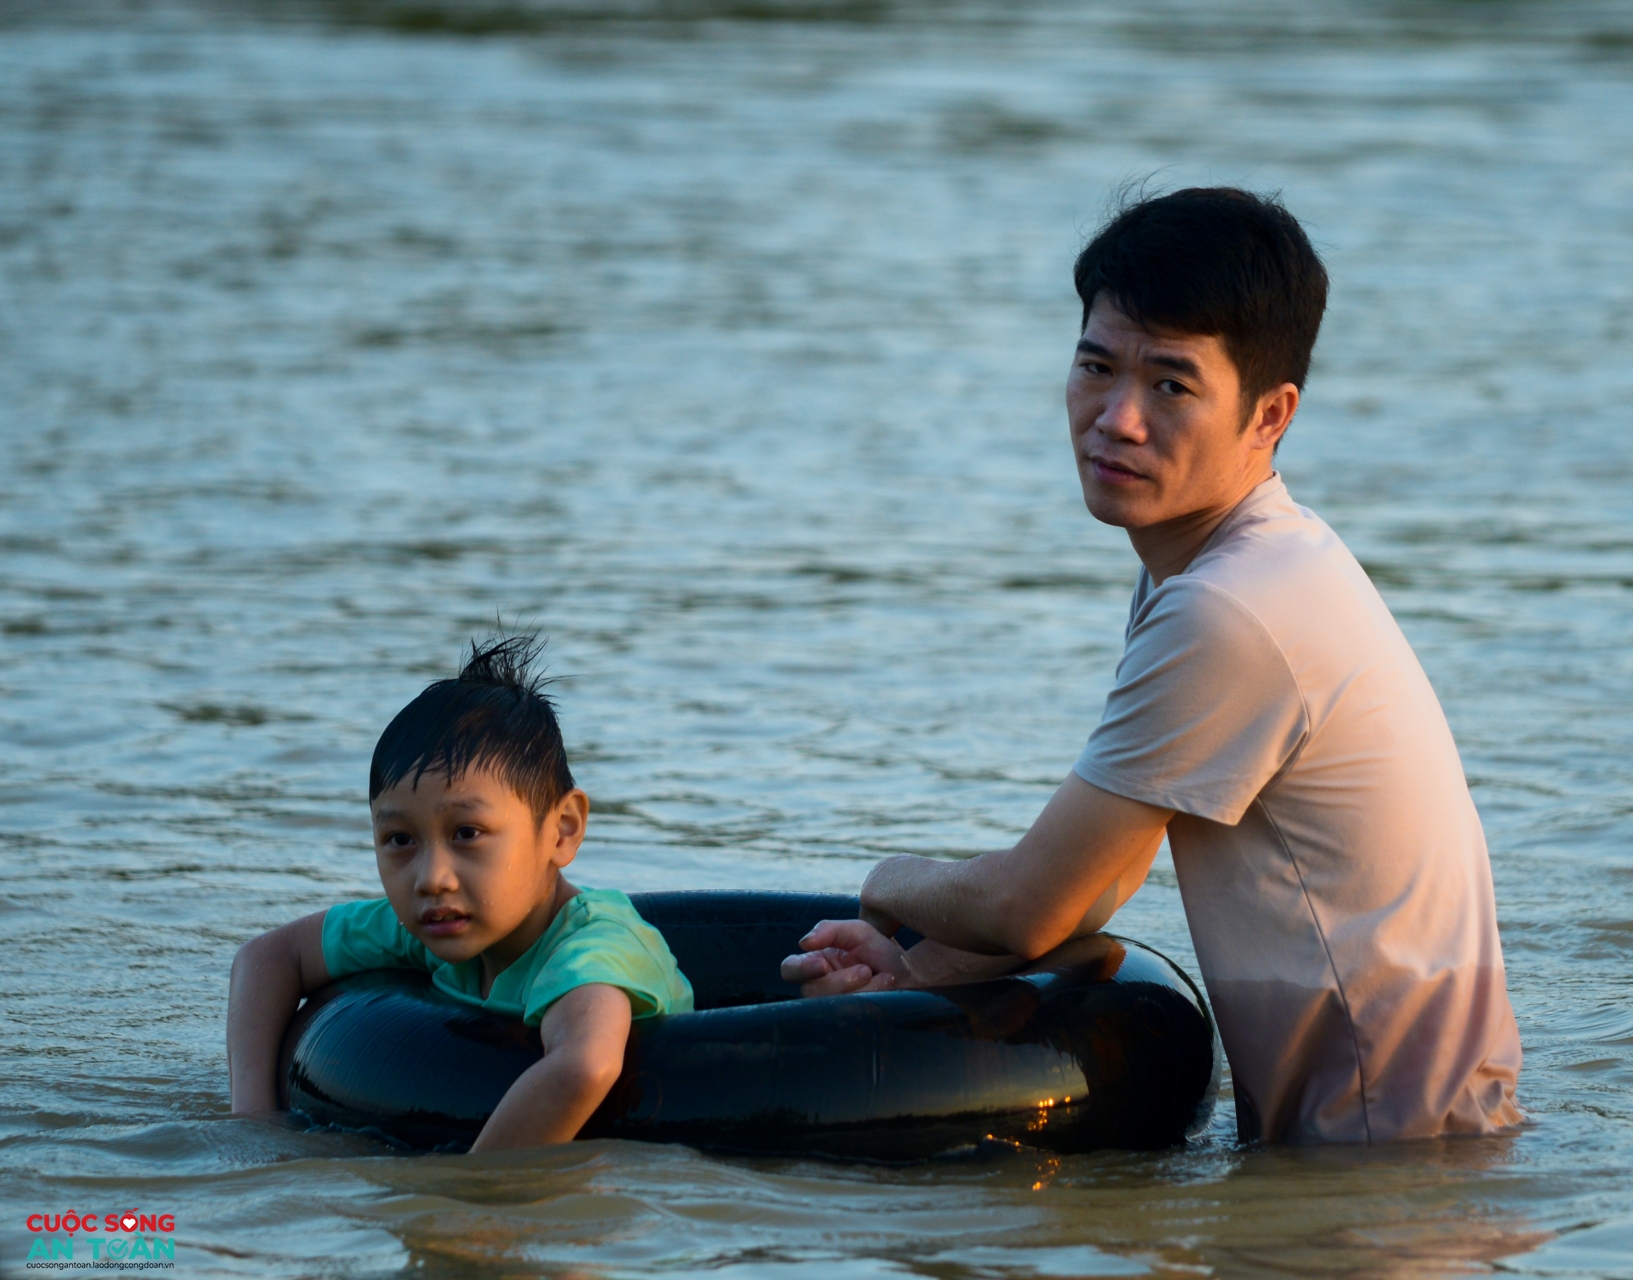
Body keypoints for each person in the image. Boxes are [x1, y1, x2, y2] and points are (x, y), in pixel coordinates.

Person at [782, 187, 1523, 1143]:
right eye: (1097, 365)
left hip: (1383, 1173)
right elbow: (1096, 883)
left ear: (1269, 416)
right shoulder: (1244, 563)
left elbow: (1031, 901)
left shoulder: (1231, 609)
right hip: (1415, 1144)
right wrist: (917, 976)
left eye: (1172, 385)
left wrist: (890, 880)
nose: (1116, 418)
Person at [226, 635, 693, 1150]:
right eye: (400, 840)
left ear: (561, 830)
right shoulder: (435, 923)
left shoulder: (592, 948)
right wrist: (254, 1119)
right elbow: (267, 956)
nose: (432, 877)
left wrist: (466, 1203)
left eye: (467, 833)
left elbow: (585, 1065)